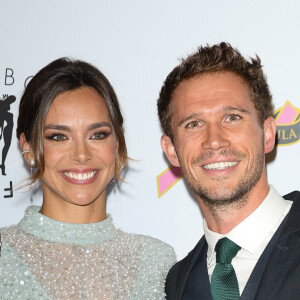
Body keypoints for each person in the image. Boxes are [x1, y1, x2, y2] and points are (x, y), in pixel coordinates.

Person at [0, 57, 176, 299]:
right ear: (28, 147)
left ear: (117, 144)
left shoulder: (156, 261)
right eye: (59, 137)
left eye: (97, 135)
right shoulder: (3, 256)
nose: (81, 155)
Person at [157, 42, 300, 299]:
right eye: (194, 123)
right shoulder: (176, 283)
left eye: (232, 117)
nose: (214, 140)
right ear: (171, 151)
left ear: (267, 135)